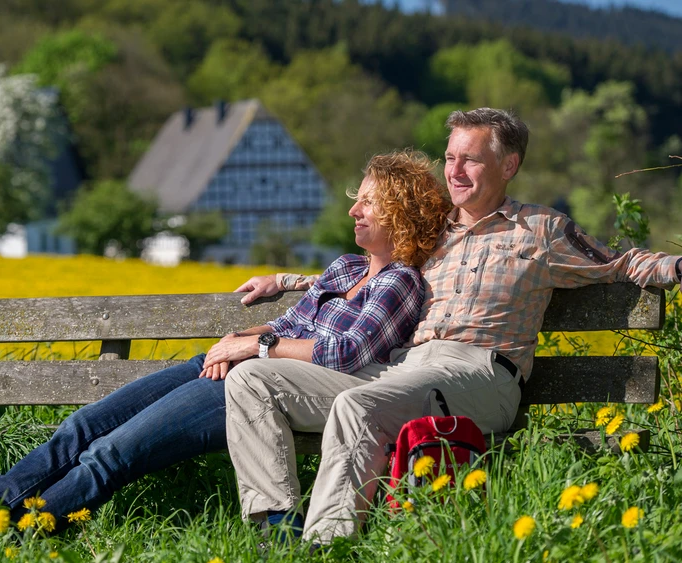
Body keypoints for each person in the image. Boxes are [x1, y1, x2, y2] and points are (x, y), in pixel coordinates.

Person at [0, 149, 450, 531]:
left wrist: (253, 349)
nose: (354, 208)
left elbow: (345, 355)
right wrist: (246, 332)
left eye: (368, 201)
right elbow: (296, 322)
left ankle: (20, 531)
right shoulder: (348, 270)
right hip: (233, 366)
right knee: (84, 426)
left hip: (264, 389)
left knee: (111, 454)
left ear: (398, 210)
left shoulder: (399, 282)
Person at [228, 107, 682, 547]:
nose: (455, 170)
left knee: (359, 405)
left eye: (470, 159)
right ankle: (278, 533)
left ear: (508, 164)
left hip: (482, 374)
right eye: (450, 157)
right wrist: (286, 281)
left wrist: (677, 267)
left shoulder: (541, 230)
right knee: (253, 379)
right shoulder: (430, 230)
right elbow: (367, 271)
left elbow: (619, 263)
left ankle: (326, 547)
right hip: (403, 370)